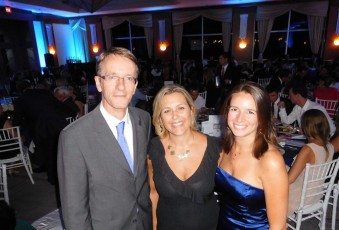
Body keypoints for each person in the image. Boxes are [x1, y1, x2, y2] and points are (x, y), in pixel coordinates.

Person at [57, 47, 152, 230]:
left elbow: (139, 179)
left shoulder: (143, 119)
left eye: (128, 78)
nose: (121, 86)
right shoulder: (73, 137)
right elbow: (74, 212)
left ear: (135, 85)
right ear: (98, 83)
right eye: (112, 77)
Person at [216, 82, 288, 229]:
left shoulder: (270, 161)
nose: (239, 118)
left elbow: (278, 226)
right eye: (235, 109)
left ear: (262, 117)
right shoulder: (223, 149)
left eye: (250, 111)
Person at [148, 84, 221, 230]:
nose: (175, 116)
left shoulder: (214, 147)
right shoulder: (154, 149)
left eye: (181, 108)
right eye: (167, 111)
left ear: (192, 110)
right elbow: (153, 193)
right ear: (159, 117)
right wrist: (154, 226)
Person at [287, 109, 334, 216]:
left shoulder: (308, 149)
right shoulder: (330, 146)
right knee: (283, 168)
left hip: (301, 197)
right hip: (316, 195)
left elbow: (290, 179)